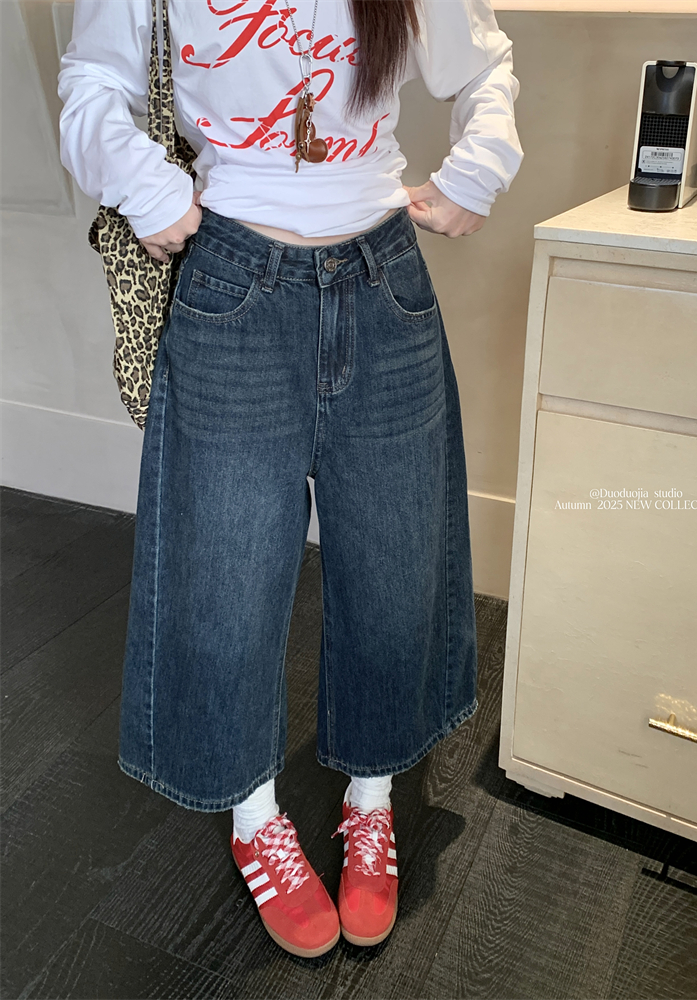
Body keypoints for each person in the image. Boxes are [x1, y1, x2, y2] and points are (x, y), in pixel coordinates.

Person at [58, 0, 523, 960]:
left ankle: (371, 798)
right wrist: (149, 189)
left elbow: (485, 65)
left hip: (384, 283)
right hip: (233, 282)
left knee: (394, 568)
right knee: (223, 580)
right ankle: (255, 816)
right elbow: (90, 80)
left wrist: (480, 166)